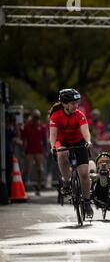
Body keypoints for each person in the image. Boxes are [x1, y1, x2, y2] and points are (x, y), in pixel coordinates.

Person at [48, 88, 94, 217]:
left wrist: (88, 141)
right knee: (61, 153)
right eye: (73, 103)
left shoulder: (80, 115)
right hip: (62, 142)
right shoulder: (55, 116)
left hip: (79, 142)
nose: (76, 106)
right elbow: (53, 135)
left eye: (77, 103)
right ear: (64, 104)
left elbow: (86, 131)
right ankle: (67, 181)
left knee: (84, 174)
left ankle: (86, 201)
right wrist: (53, 146)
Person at [22, 110, 47, 195]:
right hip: (29, 151)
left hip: (38, 151)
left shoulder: (41, 126)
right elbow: (23, 138)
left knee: (40, 169)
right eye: (35, 117)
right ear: (32, 117)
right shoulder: (27, 126)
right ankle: (23, 187)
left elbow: (44, 140)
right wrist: (23, 150)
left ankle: (38, 188)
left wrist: (46, 150)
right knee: (26, 170)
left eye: (38, 118)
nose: (36, 119)